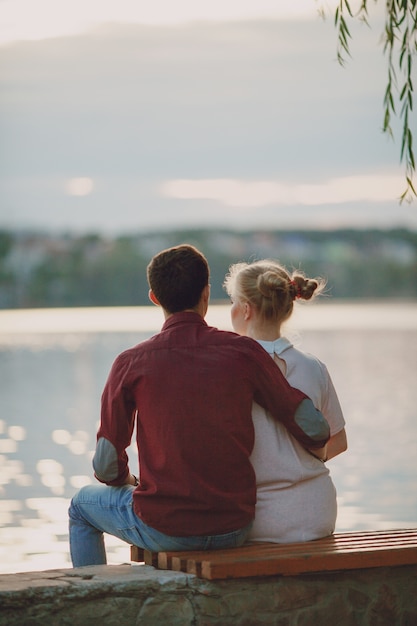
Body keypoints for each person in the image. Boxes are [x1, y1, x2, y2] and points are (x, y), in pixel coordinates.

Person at [69, 245, 330, 567]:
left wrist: (129, 482)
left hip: (165, 525)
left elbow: (106, 466)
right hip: (234, 527)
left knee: (81, 507)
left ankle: (91, 598)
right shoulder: (243, 352)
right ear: (206, 293)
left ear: (154, 297)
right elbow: (314, 428)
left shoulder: (130, 362)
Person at [223, 260, 347, 543]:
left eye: (233, 301)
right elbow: (339, 441)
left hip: (261, 518)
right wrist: (303, 453)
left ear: (245, 309)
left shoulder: (227, 371)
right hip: (320, 513)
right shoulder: (314, 367)